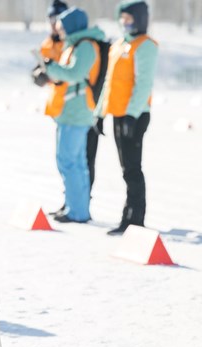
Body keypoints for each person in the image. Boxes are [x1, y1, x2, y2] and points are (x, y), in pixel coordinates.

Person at [95, 0, 158, 235]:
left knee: (132, 167)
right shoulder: (119, 45)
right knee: (125, 168)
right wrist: (99, 113)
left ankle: (135, 218)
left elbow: (144, 84)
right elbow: (109, 83)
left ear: (140, 19)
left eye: (129, 18)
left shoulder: (145, 46)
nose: (124, 22)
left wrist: (132, 114)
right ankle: (128, 217)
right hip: (118, 114)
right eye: (122, 18)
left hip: (135, 115)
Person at [42, 7, 105, 223]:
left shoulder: (85, 46)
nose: (59, 31)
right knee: (71, 161)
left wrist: (52, 69)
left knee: (70, 161)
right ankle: (74, 206)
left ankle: (77, 211)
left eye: (62, 27)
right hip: (68, 111)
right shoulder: (75, 45)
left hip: (77, 112)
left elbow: (76, 74)